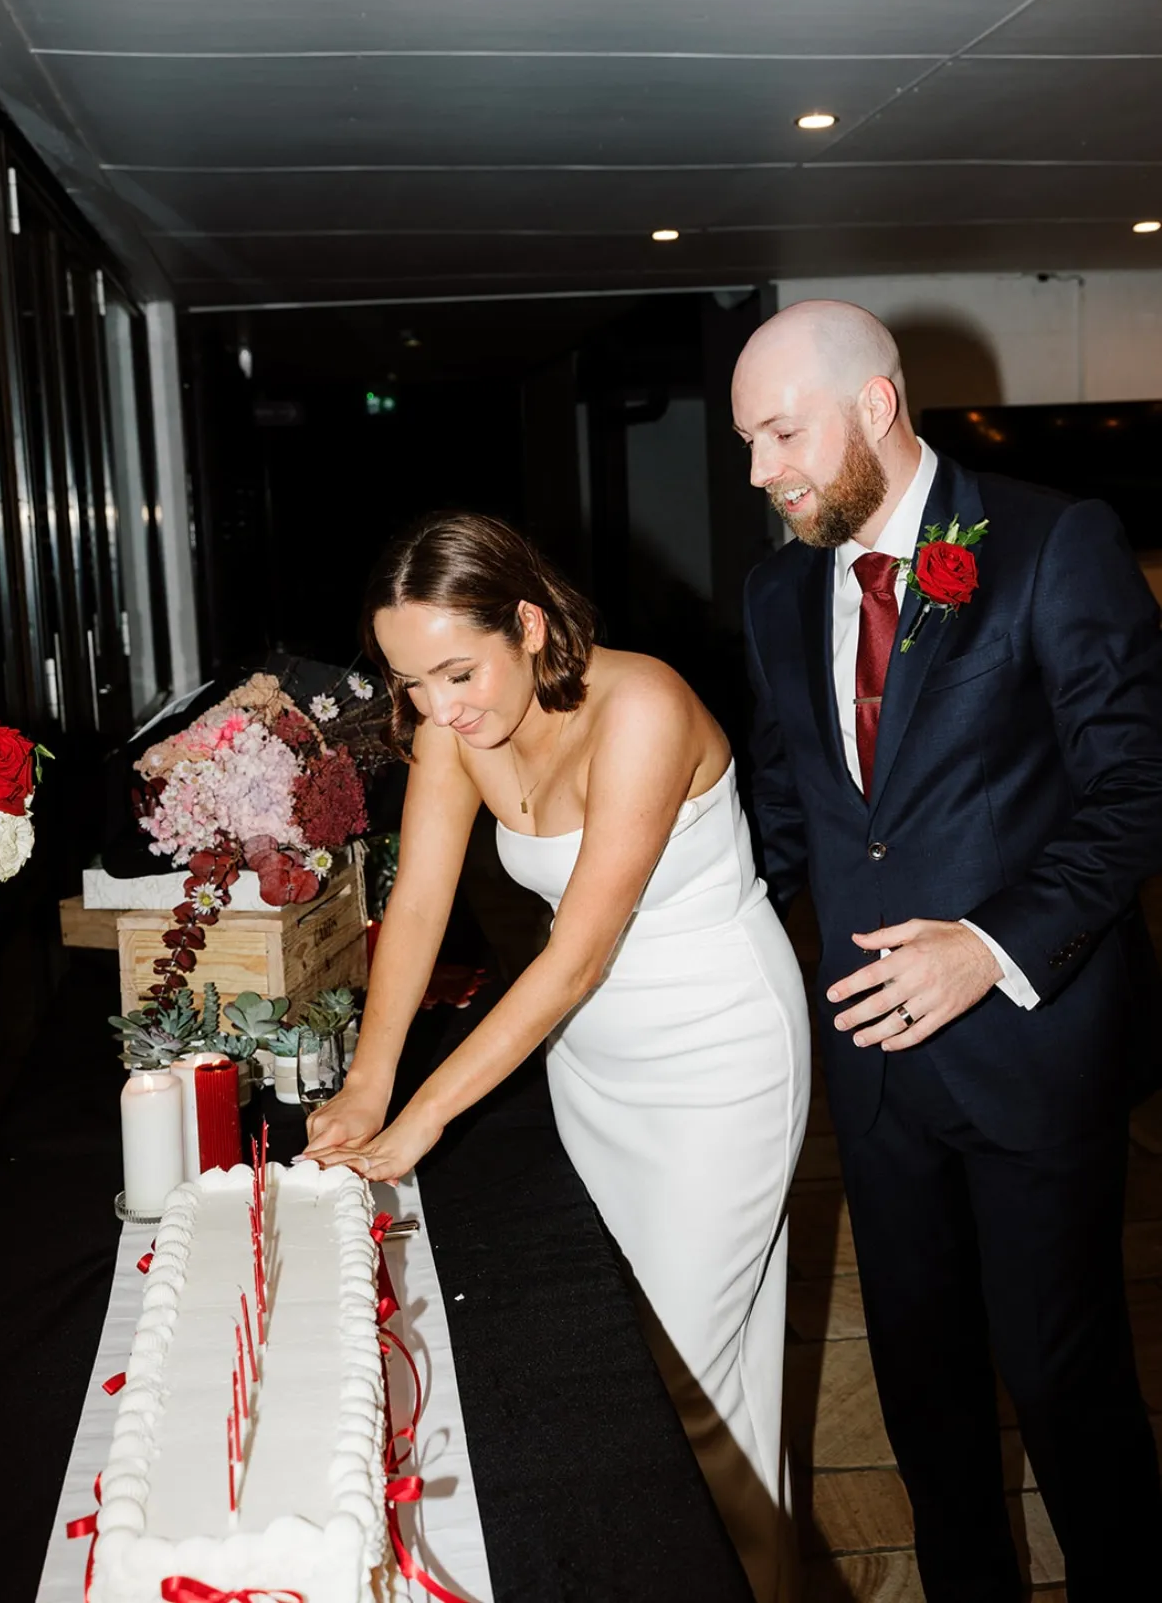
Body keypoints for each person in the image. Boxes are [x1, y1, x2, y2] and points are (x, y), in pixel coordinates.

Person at [735, 299, 1162, 1603]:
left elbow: (1134, 784)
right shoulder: (771, 593)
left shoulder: (1046, 543)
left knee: (1056, 1369)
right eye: (748, 440)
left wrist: (987, 944)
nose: (758, 469)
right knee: (919, 1376)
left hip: (1031, 1045)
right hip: (873, 1068)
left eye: (779, 430)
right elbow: (782, 819)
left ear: (873, 404)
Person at [304, 512, 811, 1602]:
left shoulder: (645, 706)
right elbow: (422, 900)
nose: (441, 711)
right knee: (651, 1364)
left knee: (686, 1385)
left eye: (458, 672)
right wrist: (366, 1082)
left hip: (718, 1055)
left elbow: (576, 955)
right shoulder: (448, 724)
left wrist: (425, 1118)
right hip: (593, 1063)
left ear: (529, 624)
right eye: (411, 684)